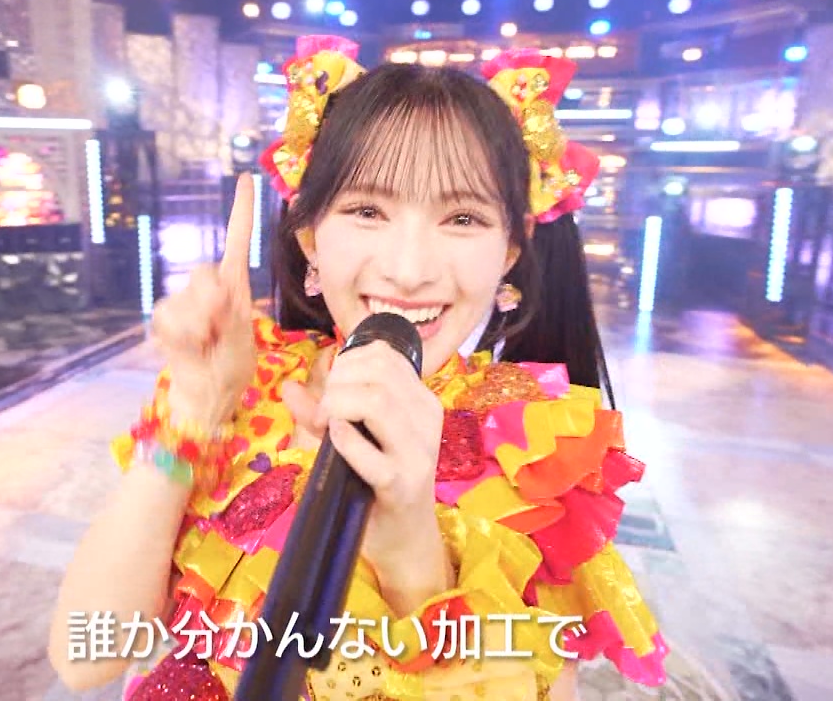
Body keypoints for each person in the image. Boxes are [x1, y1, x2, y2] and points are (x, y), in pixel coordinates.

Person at [49, 36, 668, 700]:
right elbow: (89, 657)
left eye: (462, 217)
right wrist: (193, 414)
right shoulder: (248, 388)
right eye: (367, 211)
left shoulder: (536, 453)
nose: (408, 270)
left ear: (510, 252)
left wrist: (409, 545)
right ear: (310, 238)